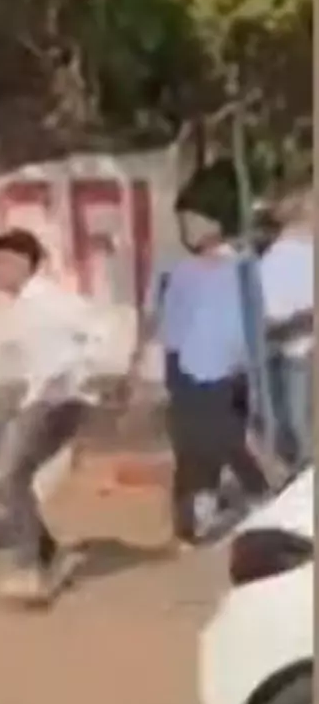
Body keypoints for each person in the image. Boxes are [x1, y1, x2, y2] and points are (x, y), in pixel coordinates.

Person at [131, 162, 269, 546]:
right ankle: (196, 511)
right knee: (190, 442)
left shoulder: (244, 267)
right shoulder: (173, 268)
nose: (187, 228)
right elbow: (156, 319)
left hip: (228, 370)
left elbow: (257, 320)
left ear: (220, 221)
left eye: (195, 219)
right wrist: (143, 368)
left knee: (223, 436)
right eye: (184, 221)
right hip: (181, 368)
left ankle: (255, 495)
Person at [0, 229, 101, 607]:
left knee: (8, 477)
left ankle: (30, 566)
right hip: (39, 400)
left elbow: (102, 333)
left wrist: (76, 377)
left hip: (58, 401)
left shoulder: (51, 301)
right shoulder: (17, 308)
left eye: (1, 263)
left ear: (22, 263)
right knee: (8, 480)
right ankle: (45, 555)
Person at [259, 181, 313, 471]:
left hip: (290, 339)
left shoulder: (285, 253)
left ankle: (301, 466)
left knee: (289, 415)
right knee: (285, 415)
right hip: (280, 337)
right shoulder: (282, 252)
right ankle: (296, 466)